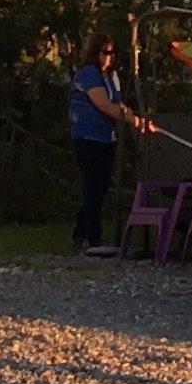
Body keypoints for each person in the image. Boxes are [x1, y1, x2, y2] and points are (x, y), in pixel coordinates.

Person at [67, 35, 141, 256]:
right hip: (87, 137)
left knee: (99, 187)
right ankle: (94, 237)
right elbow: (104, 105)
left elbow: (118, 104)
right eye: (105, 53)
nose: (109, 58)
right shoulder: (88, 74)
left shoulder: (110, 77)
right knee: (93, 186)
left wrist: (136, 118)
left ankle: (80, 232)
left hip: (105, 137)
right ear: (95, 53)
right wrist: (130, 120)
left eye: (112, 53)